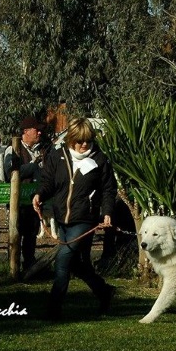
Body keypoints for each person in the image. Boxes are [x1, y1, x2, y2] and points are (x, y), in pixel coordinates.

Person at [32, 117, 117, 320]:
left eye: (87, 140)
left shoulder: (100, 159)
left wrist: (107, 213)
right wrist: (39, 195)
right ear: (71, 140)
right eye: (79, 141)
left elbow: (108, 189)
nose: (84, 144)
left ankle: (53, 309)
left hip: (85, 219)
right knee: (78, 265)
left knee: (62, 261)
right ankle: (104, 291)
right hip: (62, 217)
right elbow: (48, 182)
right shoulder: (56, 156)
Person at [4, 116, 48, 273]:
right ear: (26, 132)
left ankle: (29, 265)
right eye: (37, 130)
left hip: (34, 202)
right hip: (18, 203)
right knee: (16, 234)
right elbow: (12, 173)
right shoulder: (13, 150)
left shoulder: (41, 150)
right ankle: (12, 266)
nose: (40, 133)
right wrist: (33, 165)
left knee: (31, 235)